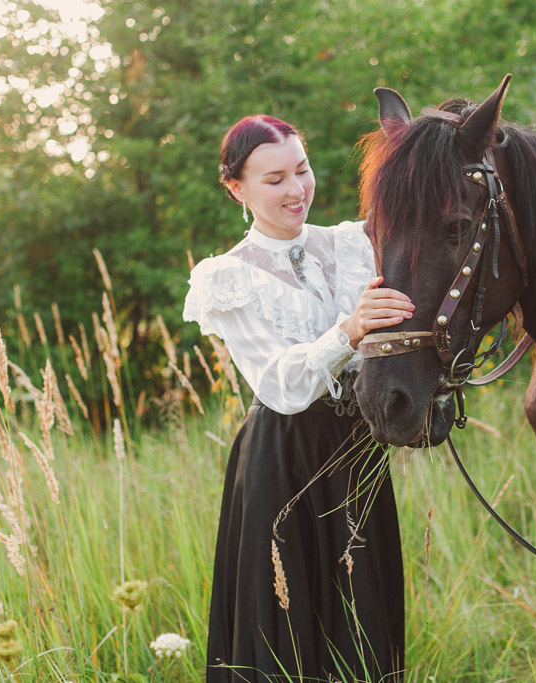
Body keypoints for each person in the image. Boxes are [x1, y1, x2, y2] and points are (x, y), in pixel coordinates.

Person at [183, 114, 413, 683]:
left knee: (363, 611)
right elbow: (278, 384)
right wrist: (350, 330)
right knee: (288, 618)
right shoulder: (227, 276)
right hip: (284, 457)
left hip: (357, 448)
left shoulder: (353, 243)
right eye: (275, 179)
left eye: (302, 170)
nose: (296, 189)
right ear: (236, 189)